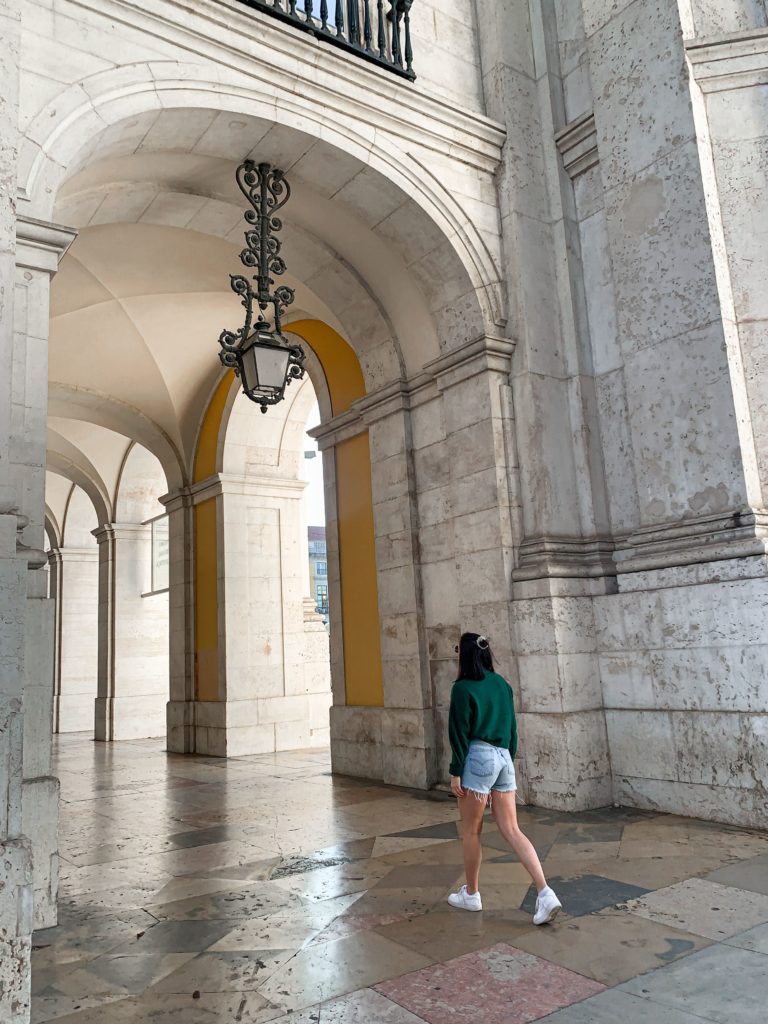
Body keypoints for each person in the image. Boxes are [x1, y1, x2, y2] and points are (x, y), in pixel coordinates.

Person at [446, 632, 562, 925]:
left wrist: (456, 771)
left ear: (465, 655)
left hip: (478, 758)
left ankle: (471, 894)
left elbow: (458, 733)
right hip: (503, 758)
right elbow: (512, 729)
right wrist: (507, 758)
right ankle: (545, 891)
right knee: (512, 829)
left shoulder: (462, 688)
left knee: (472, 831)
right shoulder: (503, 685)